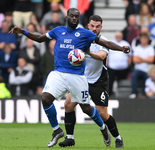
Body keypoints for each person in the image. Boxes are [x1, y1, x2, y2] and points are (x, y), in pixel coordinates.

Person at [9, 8, 130, 147]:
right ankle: (66, 135)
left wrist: (120, 48)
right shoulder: (58, 31)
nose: (74, 18)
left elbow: (104, 52)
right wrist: (23, 31)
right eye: (72, 16)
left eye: (76, 16)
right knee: (59, 103)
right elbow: (40, 38)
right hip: (67, 74)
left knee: (96, 111)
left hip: (95, 80)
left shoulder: (87, 35)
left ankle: (113, 135)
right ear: (67, 18)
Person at [59, 15, 124, 148]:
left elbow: (102, 56)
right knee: (68, 105)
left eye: (97, 26)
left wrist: (88, 53)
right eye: (92, 26)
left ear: (101, 27)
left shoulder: (104, 41)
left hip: (98, 81)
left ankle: (117, 138)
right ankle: (70, 138)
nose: (94, 29)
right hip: (81, 79)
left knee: (103, 113)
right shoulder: (79, 39)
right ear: (88, 25)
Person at [129, 33, 155, 99]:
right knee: (134, 75)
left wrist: (140, 59)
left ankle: (144, 94)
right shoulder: (137, 48)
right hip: (138, 69)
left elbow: (151, 60)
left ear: (148, 40)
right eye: (142, 39)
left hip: (147, 70)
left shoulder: (151, 48)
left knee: (147, 77)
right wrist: (146, 59)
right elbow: (134, 60)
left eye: (145, 39)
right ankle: (134, 93)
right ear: (140, 40)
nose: (144, 40)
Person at [107, 31, 131, 97]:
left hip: (123, 68)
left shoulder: (126, 44)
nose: (118, 38)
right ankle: (110, 94)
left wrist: (128, 65)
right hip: (112, 67)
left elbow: (129, 56)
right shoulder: (111, 43)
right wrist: (107, 64)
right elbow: (107, 55)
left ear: (122, 37)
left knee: (122, 83)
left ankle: (121, 95)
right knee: (110, 82)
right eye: (117, 36)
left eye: (119, 36)